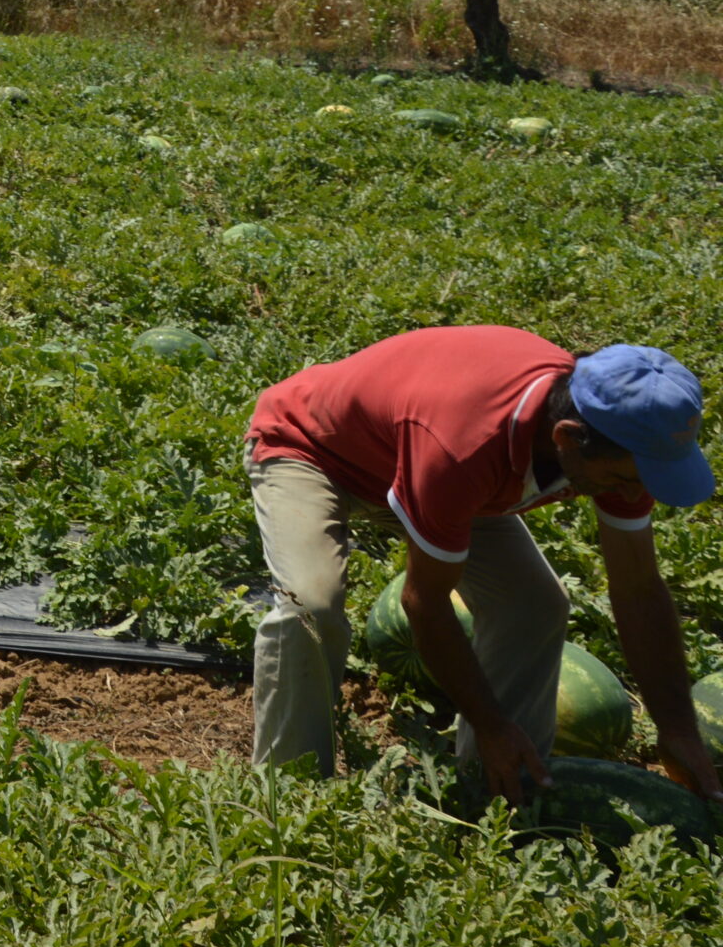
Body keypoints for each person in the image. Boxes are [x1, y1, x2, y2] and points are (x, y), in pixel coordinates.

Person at [246, 325, 722, 802]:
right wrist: (490, 723)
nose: (635, 495)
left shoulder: (622, 443)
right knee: (311, 605)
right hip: (310, 448)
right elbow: (425, 604)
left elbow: (638, 587)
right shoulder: (464, 446)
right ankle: (287, 793)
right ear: (568, 438)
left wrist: (677, 726)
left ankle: (501, 790)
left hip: (428, 471)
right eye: (624, 479)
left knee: (533, 605)